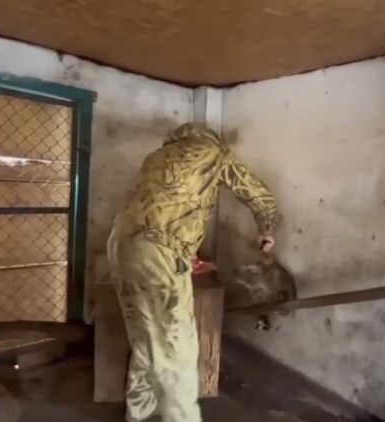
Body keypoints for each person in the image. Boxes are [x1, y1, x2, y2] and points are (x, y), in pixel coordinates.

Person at [107, 122, 277, 422]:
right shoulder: (214, 152)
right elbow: (259, 196)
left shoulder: (155, 157)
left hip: (120, 246)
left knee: (145, 337)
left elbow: (161, 208)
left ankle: (138, 413)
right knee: (179, 349)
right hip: (159, 253)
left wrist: (184, 249)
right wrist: (266, 229)